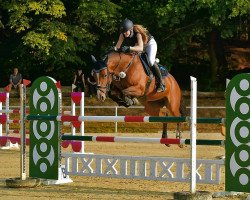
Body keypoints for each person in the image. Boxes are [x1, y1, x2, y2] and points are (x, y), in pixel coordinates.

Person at [114, 19, 165, 92]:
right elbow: (117, 47)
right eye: (123, 32)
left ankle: (161, 83)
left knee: (150, 61)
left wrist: (129, 48)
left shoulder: (137, 33)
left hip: (149, 44)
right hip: (137, 45)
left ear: (131, 29)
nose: (125, 33)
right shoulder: (122, 34)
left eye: (126, 31)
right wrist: (114, 50)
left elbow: (140, 48)